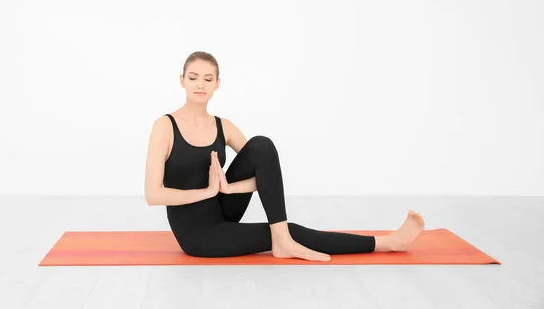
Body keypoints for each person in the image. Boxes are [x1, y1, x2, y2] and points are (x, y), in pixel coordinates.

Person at [145, 51, 425, 261]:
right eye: (193, 77)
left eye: (208, 79)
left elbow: (265, 176)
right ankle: (387, 242)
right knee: (291, 231)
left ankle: (281, 238)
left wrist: (228, 188)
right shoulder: (165, 126)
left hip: (223, 210)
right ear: (182, 80)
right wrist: (207, 191)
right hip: (197, 234)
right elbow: (153, 195)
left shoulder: (224, 126)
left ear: (217, 84)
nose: (200, 84)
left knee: (262, 146)